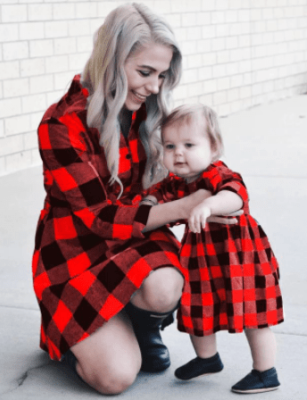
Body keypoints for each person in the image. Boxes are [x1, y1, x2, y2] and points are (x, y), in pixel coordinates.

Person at [32, 4, 238, 395]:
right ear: (111, 59)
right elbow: (99, 219)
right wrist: (185, 207)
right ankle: (70, 332)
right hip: (74, 251)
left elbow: (201, 165)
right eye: (145, 72)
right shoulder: (61, 124)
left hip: (137, 235)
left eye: (162, 75)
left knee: (164, 287)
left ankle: (142, 325)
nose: (156, 87)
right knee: (114, 379)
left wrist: (225, 193)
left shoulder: (149, 110)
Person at [143, 103, 284, 394]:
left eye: (189, 144)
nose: (178, 152)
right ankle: (208, 359)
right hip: (202, 258)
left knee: (253, 315)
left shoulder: (217, 174)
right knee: (197, 308)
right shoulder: (176, 182)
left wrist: (207, 204)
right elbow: (155, 196)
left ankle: (265, 372)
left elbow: (236, 195)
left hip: (240, 257)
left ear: (214, 148)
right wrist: (148, 204)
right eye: (170, 145)